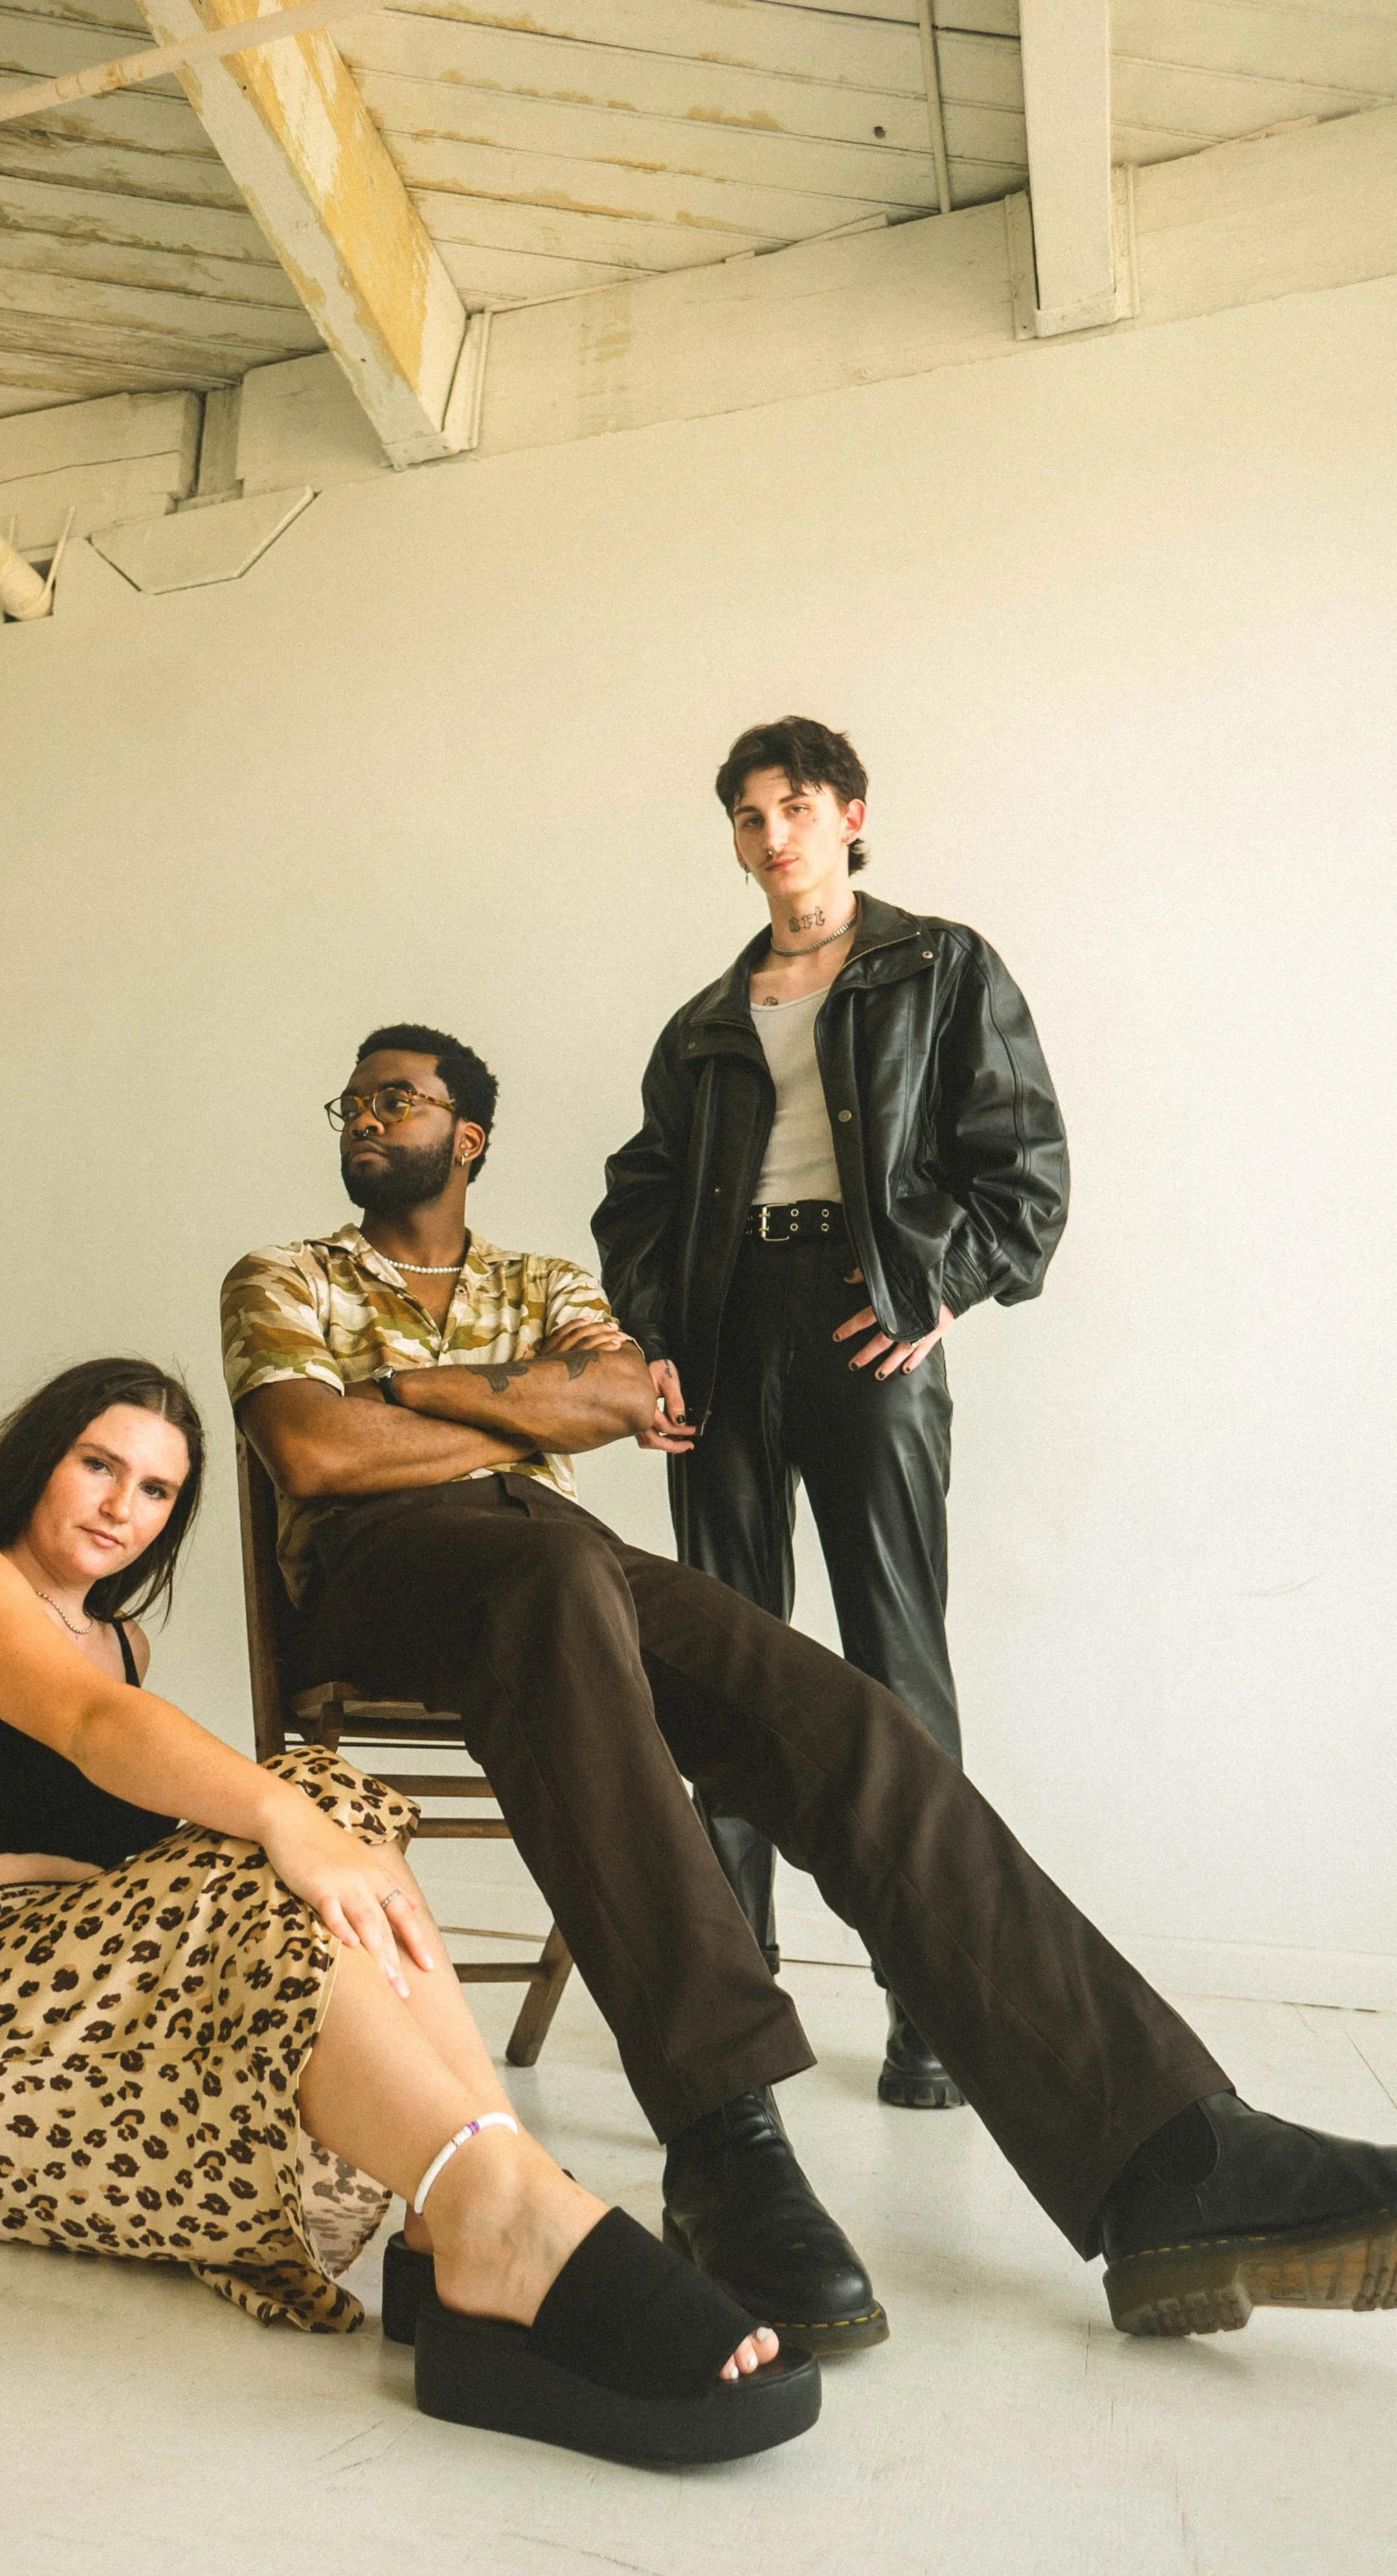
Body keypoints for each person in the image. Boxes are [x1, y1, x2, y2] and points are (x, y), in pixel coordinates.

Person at [223, 1024, 1397, 2360]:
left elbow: (620, 1390)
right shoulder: (284, 1274)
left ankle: (1174, 2161)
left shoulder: (540, 1274)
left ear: (466, 1135)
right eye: (353, 1100)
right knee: (550, 1586)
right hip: (383, 1573)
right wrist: (515, 1407)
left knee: (833, 1717)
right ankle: (723, 2140)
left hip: (559, 1562)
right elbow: (312, 1448)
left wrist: (410, 1389)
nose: (365, 1117)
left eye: (397, 1097)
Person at [0, 1356, 824, 2470]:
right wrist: (284, 1819)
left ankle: (473, 2202)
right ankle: (499, 2211)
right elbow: (89, 1725)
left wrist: (291, 1837)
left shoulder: (127, 1645)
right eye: (99, 1465)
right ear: (41, 1458)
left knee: (316, 1821)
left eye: (155, 1491)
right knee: (297, 1808)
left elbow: (155, 1815)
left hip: (48, 2035)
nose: (119, 1507)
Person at [593, 715, 1069, 2112]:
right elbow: (638, 1197)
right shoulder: (701, 1024)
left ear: (849, 814)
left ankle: (935, 2012)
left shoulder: (939, 968)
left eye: (792, 806)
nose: (770, 836)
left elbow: (1022, 1173)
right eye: (745, 816)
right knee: (718, 1667)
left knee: (892, 1667)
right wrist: (659, 1343)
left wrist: (940, 1288)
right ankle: (734, 2017)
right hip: (730, 1330)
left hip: (867, 1334)